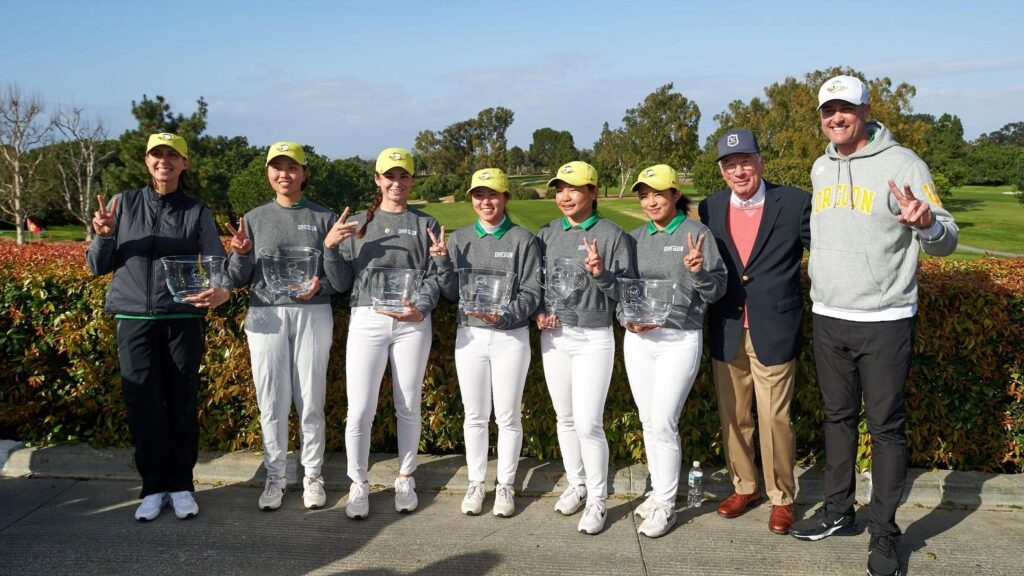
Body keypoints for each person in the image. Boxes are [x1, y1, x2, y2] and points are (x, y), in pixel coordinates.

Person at [790, 75, 958, 576]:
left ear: (866, 110)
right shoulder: (821, 167)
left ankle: (884, 531)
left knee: (885, 429)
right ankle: (839, 512)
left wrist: (925, 223)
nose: (835, 118)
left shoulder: (904, 164)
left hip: (884, 319)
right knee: (837, 420)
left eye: (845, 109)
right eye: (827, 110)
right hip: (828, 315)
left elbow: (946, 237)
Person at [86, 132, 230, 521]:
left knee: (182, 401)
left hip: (182, 317)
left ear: (184, 164)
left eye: (172, 155)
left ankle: (182, 484)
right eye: (156, 155)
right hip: (133, 318)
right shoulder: (122, 203)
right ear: (146, 162)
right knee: (143, 405)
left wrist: (222, 290)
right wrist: (103, 236)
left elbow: (216, 261)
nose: (163, 161)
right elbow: (97, 265)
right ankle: (152, 487)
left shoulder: (196, 210)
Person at [697, 129, 811, 536]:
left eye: (745, 161)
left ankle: (782, 496)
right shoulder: (709, 208)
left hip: (775, 327)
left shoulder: (795, 202)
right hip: (727, 326)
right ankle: (744, 486)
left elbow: (825, 252)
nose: (739, 170)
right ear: (723, 172)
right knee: (734, 416)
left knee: (774, 417)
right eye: (730, 164)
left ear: (760, 162)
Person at [323, 147, 441, 519]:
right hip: (367, 318)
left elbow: (436, 277)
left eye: (403, 176)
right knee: (360, 409)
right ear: (377, 179)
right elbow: (341, 283)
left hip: (412, 322)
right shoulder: (357, 224)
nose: (396, 183)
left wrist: (421, 306)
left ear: (411, 180)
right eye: (389, 176)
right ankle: (358, 482)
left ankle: (405, 476)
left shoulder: (428, 222)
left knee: (408, 404)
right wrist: (330, 248)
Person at [226, 142, 340, 511]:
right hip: (265, 314)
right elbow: (237, 276)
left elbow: (340, 276)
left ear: (304, 173)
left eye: (292, 167)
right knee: (271, 399)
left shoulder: (324, 216)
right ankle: (275, 475)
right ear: (268, 173)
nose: (284, 174)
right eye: (277, 167)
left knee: (310, 398)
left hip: (312, 312)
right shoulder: (254, 218)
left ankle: (312, 474)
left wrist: (321, 283)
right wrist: (241, 253)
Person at [623, 164, 727, 538]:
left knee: (664, 420)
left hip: (679, 339)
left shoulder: (697, 235)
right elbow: (624, 292)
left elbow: (717, 290)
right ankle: (658, 493)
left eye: (658, 194)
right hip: (638, 341)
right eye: (644, 195)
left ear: (675, 195)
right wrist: (627, 318)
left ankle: (666, 505)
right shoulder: (633, 238)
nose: (651, 201)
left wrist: (699, 271)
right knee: (649, 421)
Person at [433, 168, 542, 518]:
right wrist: (440, 260)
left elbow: (532, 292)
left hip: (510, 336)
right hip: (470, 336)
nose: (486, 201)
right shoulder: (459, 238)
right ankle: (477, 482)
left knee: (508, 415)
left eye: (493, 194)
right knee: (475, 415)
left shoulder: (523, 240)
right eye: (479, 195)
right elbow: (451, 292)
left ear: (506, 197)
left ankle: (506, 485)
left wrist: (506, 315)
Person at [535, 160, 632, 535]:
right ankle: (576, 484)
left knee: (589, 423)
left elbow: (625, 293)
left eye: (574, 189)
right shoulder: (546, 234)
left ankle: (597, 498)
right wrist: (540, 314)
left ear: (593, 192)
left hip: (593, 337)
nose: (565, 196)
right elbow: (539, 286)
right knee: (565, 418)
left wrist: (601, 274)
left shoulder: (611, 235)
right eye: (559, 189)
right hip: (555, 337)